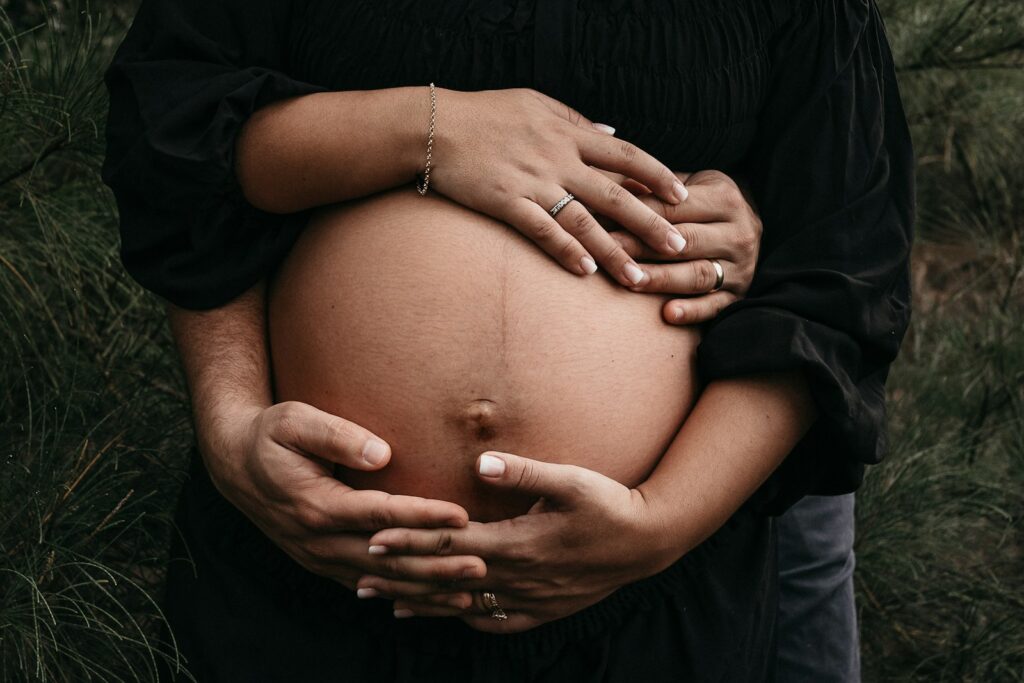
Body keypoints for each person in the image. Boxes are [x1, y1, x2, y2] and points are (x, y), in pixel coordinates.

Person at [102, 0, 914, 680]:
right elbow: (175, 142)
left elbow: (837, 265)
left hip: (651, 612)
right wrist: (229, 425)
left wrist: (658, 524)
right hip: (299, 588)